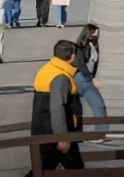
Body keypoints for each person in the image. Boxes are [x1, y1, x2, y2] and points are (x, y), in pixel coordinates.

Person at [26, 40, 85, 176]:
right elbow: (57, 107)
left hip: (43, 130)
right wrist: (62, 137)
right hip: (55, 133)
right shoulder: (61, 78)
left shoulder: (48, 69)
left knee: (42, 169)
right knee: (76, 169)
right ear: (73, 57)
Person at [74, 24, 108, 132]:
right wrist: (92, 78)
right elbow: (80, 64)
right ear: (88, 34)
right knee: (73, 108)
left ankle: (101, 133)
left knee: (99, 105)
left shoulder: (94, 45)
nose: (96, 36)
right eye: (94, 34)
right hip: (81, 77)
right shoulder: (81, 47)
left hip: (88, 78)